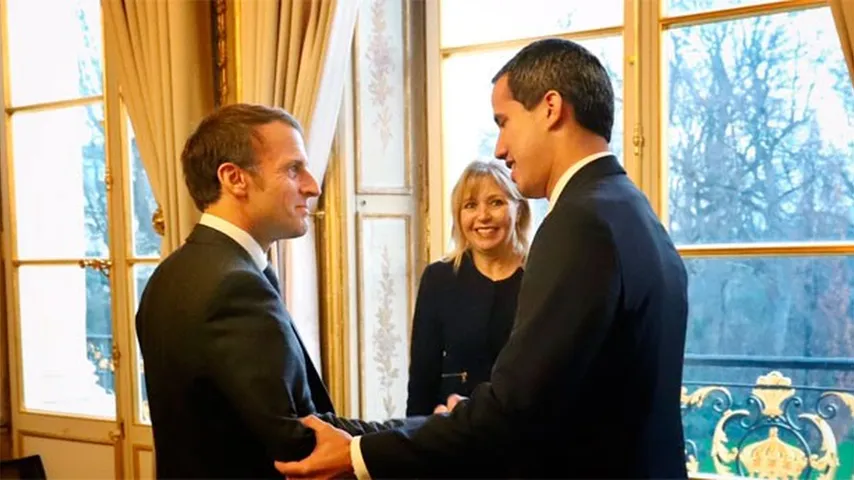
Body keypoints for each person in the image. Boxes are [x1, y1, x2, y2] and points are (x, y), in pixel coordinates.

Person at [276, 37, 690, 479]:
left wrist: (358, 453)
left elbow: (515, 409)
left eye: (504, 121)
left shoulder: (579, 222)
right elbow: (573, 395)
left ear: (551, 108)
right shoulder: (631, 208)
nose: (499, 147)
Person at [135, 104, 413, 479]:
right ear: (235, 179)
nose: (313, 186)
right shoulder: (235, 286)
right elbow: (300, 442)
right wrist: (425, 431)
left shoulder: (171, 273)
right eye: (293, 168)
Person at [406, 160, 530, 416]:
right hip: (452, 432)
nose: (483, 216)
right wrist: (415, 439)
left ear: (520, 210)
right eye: (470, 205)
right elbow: (422, 376)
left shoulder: (542, 275)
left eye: (496, 202)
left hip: (524, 432)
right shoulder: (438, 278)